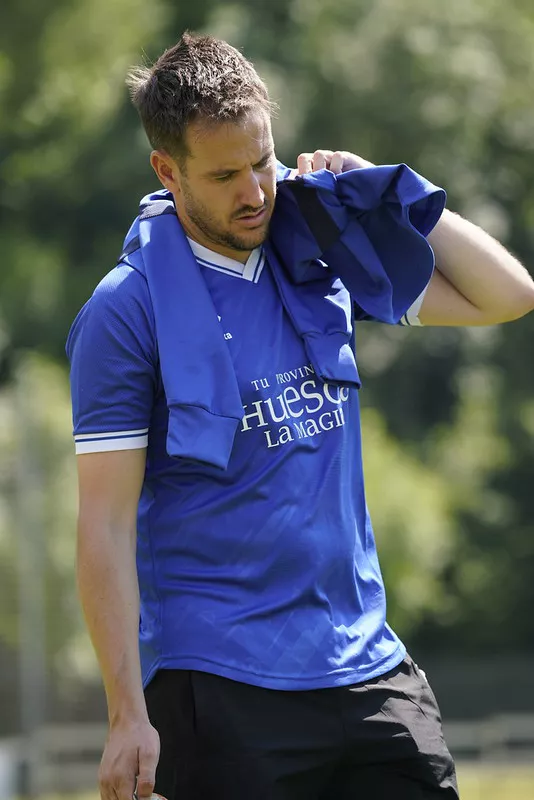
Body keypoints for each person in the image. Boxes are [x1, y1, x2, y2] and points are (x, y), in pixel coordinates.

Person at [67, 31, 534, 800]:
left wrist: (373, 188)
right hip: (221, 683)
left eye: (262, 161)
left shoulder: (323, 244)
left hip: (367, 668)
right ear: (167, 171)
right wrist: (126, 714)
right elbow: (104, 525)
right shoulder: (124, 312)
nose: (254, 192)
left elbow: (507, 295)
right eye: (224, 175)